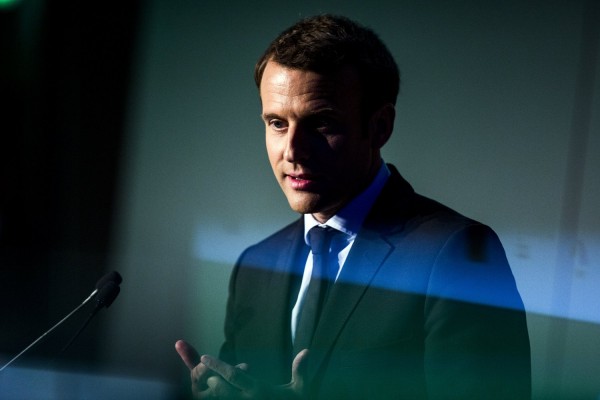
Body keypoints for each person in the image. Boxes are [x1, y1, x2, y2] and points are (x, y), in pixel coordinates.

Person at [175, 14, 531, 399]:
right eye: (277, 123)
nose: (292, 151)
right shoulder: (255, 266)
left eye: (320, 124)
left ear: (380, 127)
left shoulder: (459, 253)